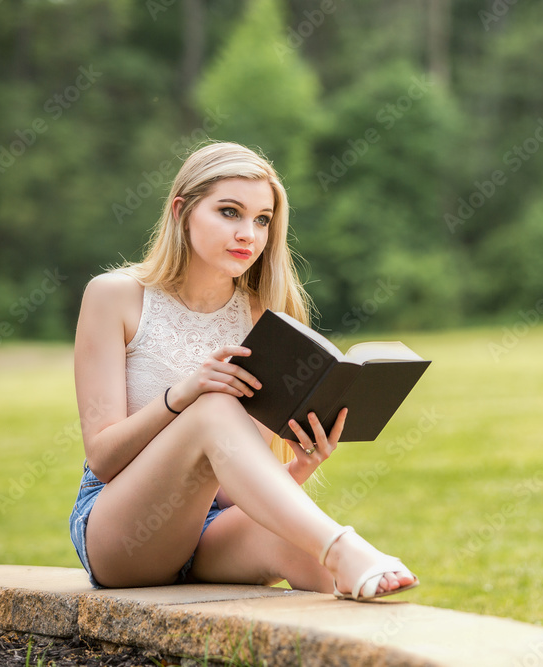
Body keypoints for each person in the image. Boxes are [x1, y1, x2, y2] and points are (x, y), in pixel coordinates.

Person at [68, 141, 418, 601]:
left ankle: (372, 624)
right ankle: (344, 546)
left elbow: (230, 494)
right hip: (122, 532)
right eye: (229, 212)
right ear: (181, 211)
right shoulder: (116, 296)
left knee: (306, 555)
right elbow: (103, 457)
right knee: (213, 405)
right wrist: (184, 394)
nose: (248, 234)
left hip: (211, 532)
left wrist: (299, 467)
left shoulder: (258, 317)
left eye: (262, 219)